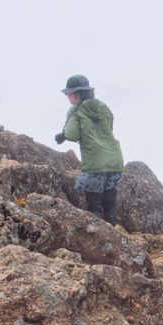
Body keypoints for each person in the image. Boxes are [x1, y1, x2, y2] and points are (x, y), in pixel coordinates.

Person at [55, 75, 124, 225]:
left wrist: (63, 135)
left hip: (95, 164)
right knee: (109, 205)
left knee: (94, 206)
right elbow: (109, 125)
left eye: (68, 94)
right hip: (115, 160)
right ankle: (112, 238)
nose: (67, 97)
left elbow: (72, 135)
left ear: (76, 94)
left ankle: (100, 241)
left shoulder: (75, 111)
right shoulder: (102, 107)